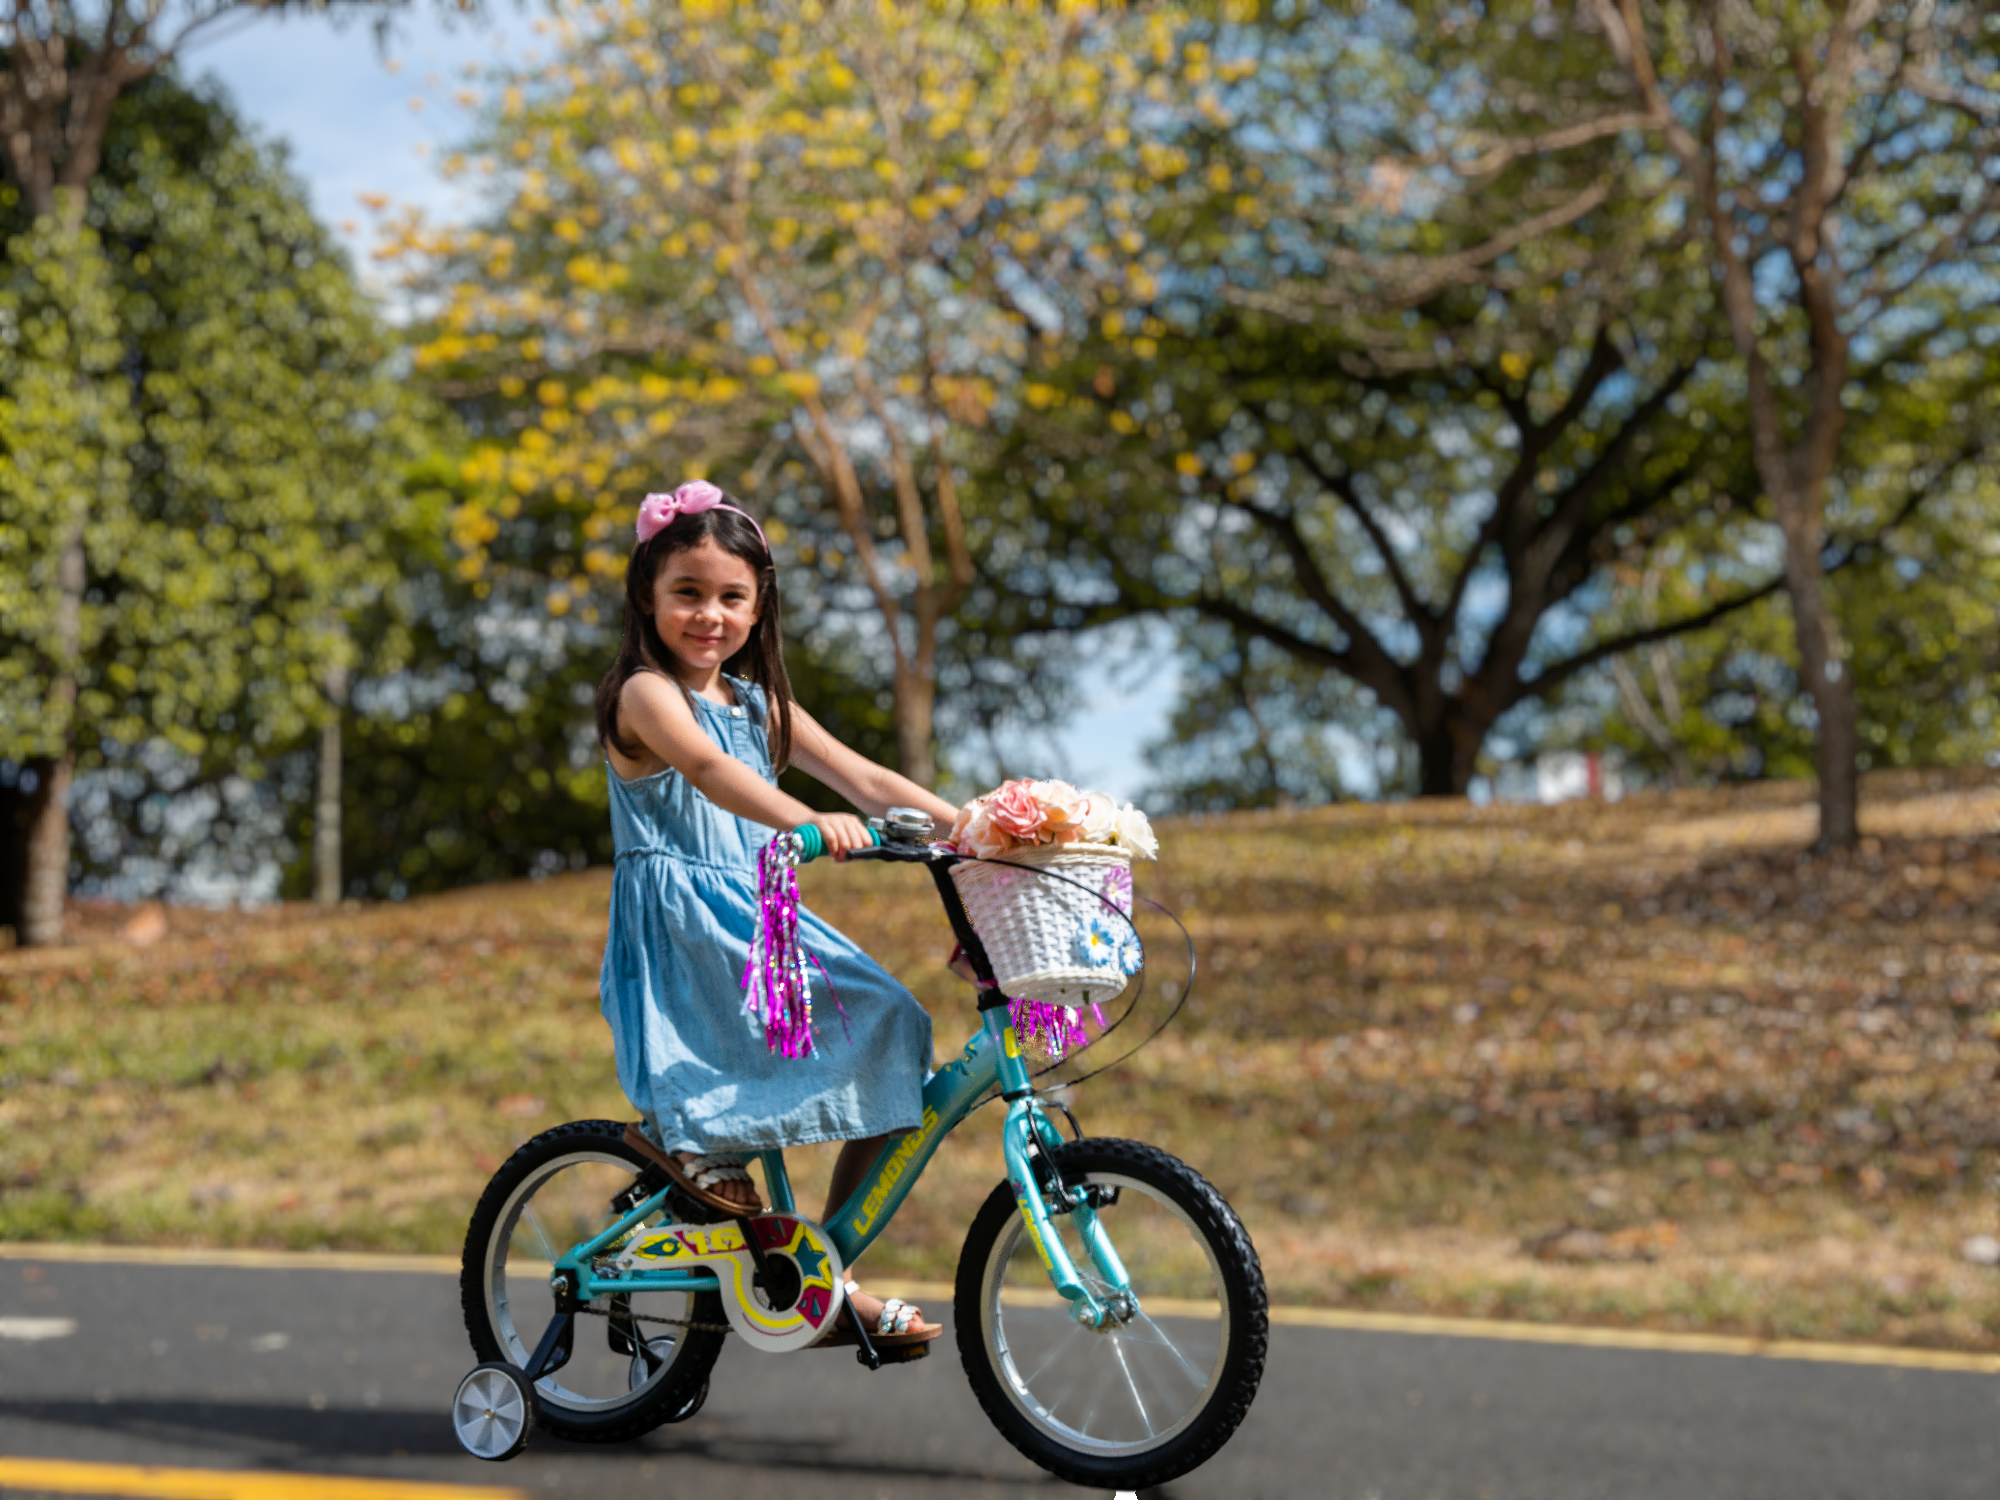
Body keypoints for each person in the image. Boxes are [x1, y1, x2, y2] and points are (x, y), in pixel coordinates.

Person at [594, 480, 958, 1349]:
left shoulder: (758, 705)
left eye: (731, 597)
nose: (708, 615)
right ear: (649, 596)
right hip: (690, 925)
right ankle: (759, 1236)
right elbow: (714, 775)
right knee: (729, 1114)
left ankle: (814, 1277)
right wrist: (805, 821)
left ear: (759, 610)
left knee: (895, 1027)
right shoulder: (645, 695)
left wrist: (976, 827)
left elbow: (866, 779)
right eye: (687, 592)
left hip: (758, 923)